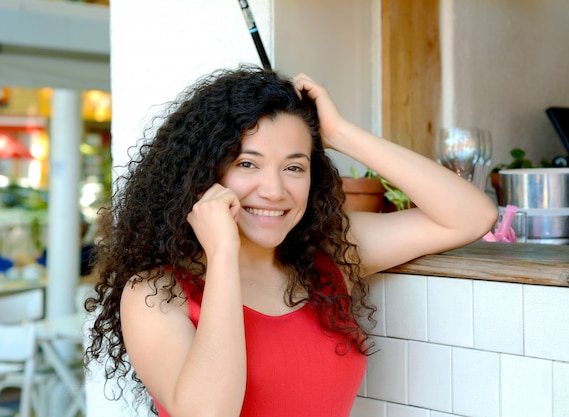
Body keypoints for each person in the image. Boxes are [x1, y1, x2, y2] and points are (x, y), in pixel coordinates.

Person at [85, 65, 497, 417]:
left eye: (294, 167)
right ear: (203, 175)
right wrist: (223, 253)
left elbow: (471, 215)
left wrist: (341, 134)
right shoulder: (157, 293)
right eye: (248, 164)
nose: (275, 190)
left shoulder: (330, 254)